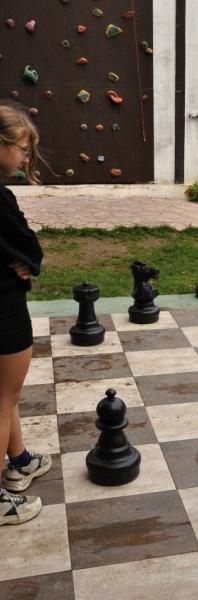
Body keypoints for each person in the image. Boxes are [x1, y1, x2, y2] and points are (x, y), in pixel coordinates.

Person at [0, 102, 51, 526]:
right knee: (3, 399)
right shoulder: (1, 199)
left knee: (6, 393)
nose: (25, 156)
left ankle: (19, 461)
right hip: (4, 310)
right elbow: (29, 247)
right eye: (21, 147)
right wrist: (24, 260)